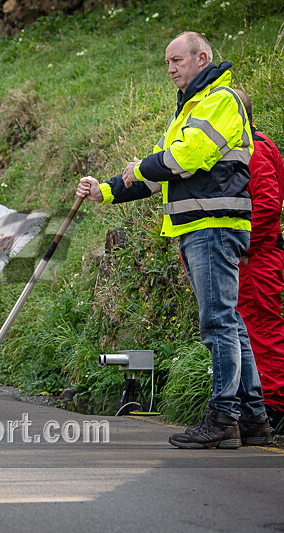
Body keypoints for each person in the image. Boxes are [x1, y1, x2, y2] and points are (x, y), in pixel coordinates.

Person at [76, 31, 272, 448]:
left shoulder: (222, 101)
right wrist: (106, 190)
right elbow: (155, 174)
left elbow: (185, 157)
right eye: (167, 62)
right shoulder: (189, 109)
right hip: (203, 227)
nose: (170, 70)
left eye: (176, 61)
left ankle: (223, 418)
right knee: (231, 322)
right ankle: (253, 419)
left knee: (218, 323)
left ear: (202, 58)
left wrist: (144, 166)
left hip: (213, 227)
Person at [234, 89, 284, 434]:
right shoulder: (253, 145)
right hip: (251, 256)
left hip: (256, 258)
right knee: (248, 330)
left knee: (261, 330)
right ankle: (256, 405)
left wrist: (239, 245)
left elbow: (267, 205)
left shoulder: (253, 150)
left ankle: (273, 406)